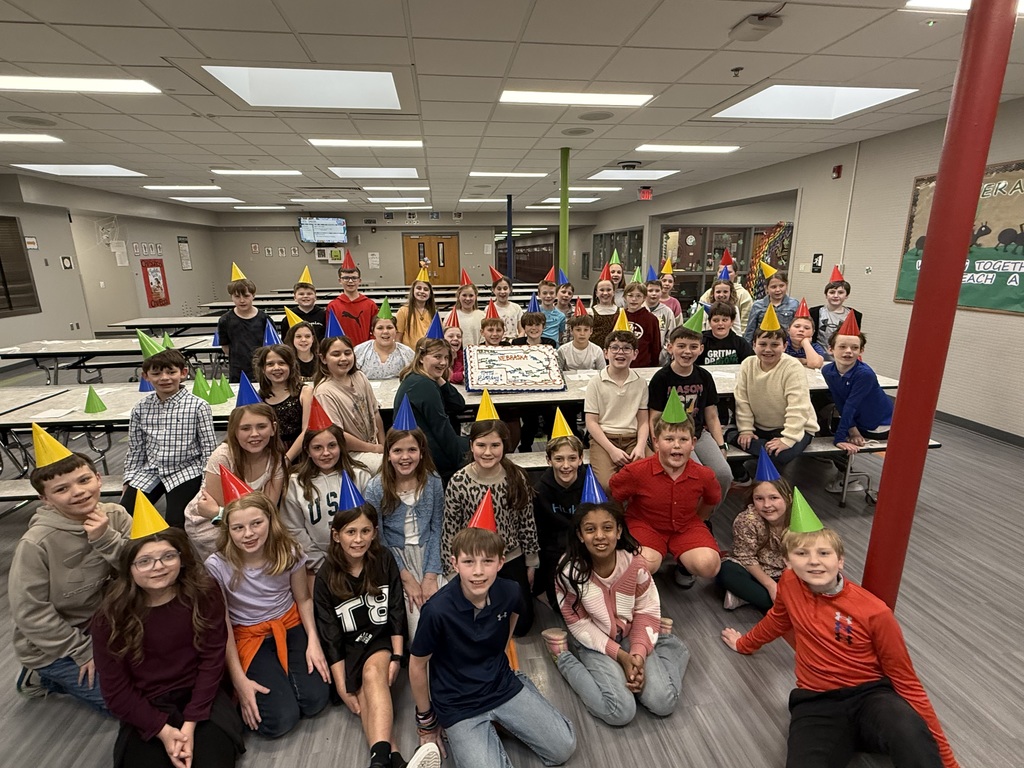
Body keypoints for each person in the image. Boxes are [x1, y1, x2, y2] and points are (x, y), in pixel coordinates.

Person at [721, 507, 960, 768]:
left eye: (824, 553)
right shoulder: (788, 583)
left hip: (872, 697)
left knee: (909, 730)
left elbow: (907, 682)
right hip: (817, 701)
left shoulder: (874, 612)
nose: (814, 561)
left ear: (840, 560)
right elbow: (778, 620)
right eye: (802, 553)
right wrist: (744, 644)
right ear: (787, 562)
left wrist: (948, 763)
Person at [410, 527, 577, 768]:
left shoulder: (510, 591)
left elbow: (514, 616)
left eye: (487, 561)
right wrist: (426, 722)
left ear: (500, 562)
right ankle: (490, 726)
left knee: (563, 748)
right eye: (469, 561)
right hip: (458, 703)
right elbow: (417, 665)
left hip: (500, 685)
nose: (478, 571)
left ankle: (516, 694)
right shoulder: (436, 611)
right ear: (455, 563)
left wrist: (496, 653)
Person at [92, 524, 244, 768]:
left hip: (202, 697)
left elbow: (212, 662)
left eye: (168, 556)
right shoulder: (110, 617)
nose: (158, 566)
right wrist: (162, 730)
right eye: (145, 561)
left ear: (182, 559)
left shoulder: (204, 593)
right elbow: (116, 691)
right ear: (129, 568)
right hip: (146, 705)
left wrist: (190, 724)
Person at [313, 503, 442, 768]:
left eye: (365, 531)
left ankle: (378, 761)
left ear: (374, 533)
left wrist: (396, 655)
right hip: (349, 648)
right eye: (350, 532)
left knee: (372, 675)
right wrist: (341, 685)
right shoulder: (326, 576)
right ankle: (392, 757)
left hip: (380, 639)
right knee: (362, 694)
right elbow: (330, 634)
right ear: (336, 535)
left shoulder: (383, 559)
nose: (358, 539)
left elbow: (396, 610)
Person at [11, 436, 132, 710]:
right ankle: (48, 674)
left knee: (164, 675)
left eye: (84, 480)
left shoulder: (116, 515)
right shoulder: (36, 543)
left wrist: (106, 539)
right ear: (45, 499)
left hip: (107, 623)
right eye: (62, 489)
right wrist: (82, 651)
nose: (78, 492)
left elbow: (145, 570)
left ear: (99, 478)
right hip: (58, 642)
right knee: (121, 701)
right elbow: (30, 613)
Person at [543, 501, 689, 726]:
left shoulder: (635, 564)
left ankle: (664, 642)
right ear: (580, 535)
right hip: (594, 640)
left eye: (608, 528)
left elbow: (646, 609)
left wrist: (638, 654)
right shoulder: (568, 572)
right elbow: (579, 624)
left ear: (619, 531)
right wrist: (621, 656)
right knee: (620, 712)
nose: (600, 536)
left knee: (664, 702)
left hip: (631, 633)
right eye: (590, 529)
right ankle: (563, 657)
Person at [207, 492, 330, 738]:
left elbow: (303, 599)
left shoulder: (289, 551)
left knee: (315, 700)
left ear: (270, 521)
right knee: (279, 720)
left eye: (256, 523)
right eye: (238, 528)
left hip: (289, 623)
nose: (249, 534)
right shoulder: (217, 565)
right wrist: (239, 680)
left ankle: (286, 679)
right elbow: (224, 627)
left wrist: (313, 643)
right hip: (248, 635)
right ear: (228, 530)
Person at [442, 420, 539, 636]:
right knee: (470, 620)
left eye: (495, 445)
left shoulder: (517, 477)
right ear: (471, 445)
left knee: (522, 625)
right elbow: (450, 529)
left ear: (505, 446)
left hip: (510, 557)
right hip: (473, 560)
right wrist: (452, 572)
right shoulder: (458, 481)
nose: (488, 452)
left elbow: (527, 522)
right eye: (481, 445)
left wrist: (530, 562)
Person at [610, 415, 722, 588]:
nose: (676, 445)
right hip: (645, 524)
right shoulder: (636, 472)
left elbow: (711, 500)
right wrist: (623, 525)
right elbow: (615, 496)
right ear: (656, 442)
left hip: (686, 525)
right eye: (669, 439)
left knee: (710, 565)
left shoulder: (704, 475)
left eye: (683, 439)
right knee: (644, 564)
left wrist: (698, 521)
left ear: (692, 443)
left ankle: (684, 565)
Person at [121, 348, 217, 528]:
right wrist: (129, 480)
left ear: (183, 373)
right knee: (125, 514)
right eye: (156, 374)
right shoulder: (141, 408)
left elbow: (208, 450)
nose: (164, 378)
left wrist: (206, 484)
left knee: (176, 521)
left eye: (171, 372)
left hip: (186, 470)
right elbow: (135, 450)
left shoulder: (198, 406)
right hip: (151, 470)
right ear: (146, 376)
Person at [365, 427, 445, 639]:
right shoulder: (375, 488)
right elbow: (378, 537)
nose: (405, 457)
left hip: (430, 556)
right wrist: (406, 578)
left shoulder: (433, 481)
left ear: (421, 452)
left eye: (412, 449)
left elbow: (437, 528)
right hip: (395, 560)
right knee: (418, 624)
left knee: (444, 617)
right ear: (388, 455)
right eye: (398, 451)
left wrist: (430, 576)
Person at [184, 403, 288, 561]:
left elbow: (268, 508)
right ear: (234, 431)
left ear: (273, 428)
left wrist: (216, 511)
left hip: (244, 518)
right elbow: (220, 510)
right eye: (245, 428)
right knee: (235, 561)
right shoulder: (223, 456)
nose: (254, 434)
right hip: (211, 523)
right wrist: (217, 513)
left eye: (261, 426)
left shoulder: (276, 459)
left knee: (281, 549)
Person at [648, 326, 732, 507]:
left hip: (699, 435)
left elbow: (712, 415)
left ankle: (705, 516)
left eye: (693, 347)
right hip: (673, 438)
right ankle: (687, 516)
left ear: (701, 349)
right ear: (670, 348)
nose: (687, 352)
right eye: (681, 346)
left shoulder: (704, 376)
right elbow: (654, 417)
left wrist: (721, 445)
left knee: (724, 474)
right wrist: (658, 445)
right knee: (697, 475)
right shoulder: (661, 378)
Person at [732, 314, 820, 480]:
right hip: (761, 426)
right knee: (728, 438)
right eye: (762, 344)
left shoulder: (792, 367)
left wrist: (787, 439)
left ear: (785, 346)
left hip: (797, 428)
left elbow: (798, 406)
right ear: (753, 345)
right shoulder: (747, 365)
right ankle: (756, 456)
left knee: (780, 454)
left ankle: (767, 485)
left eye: (775, 345)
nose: (768, 349)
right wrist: (745, 429)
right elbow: (742, 401)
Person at [282, 424, 372, 574]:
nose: (326, 453)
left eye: (332, 446)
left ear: (341, 446)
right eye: (317, 448)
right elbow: (293, 528)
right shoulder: (295, 483)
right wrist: (320, 565)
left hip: (360, 561)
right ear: (307, 451)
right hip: (316, 567)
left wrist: (358, 560)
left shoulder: (361, 477)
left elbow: (371, 522)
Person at [822, 321, 893, 494]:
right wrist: (851, 430)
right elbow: (840, 401)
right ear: (830, 349)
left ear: (861, 351)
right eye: (842, 346)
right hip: (858, 420)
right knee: (821, 421)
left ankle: (847, 477)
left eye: (854, 348)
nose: (848, 351)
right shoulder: (828, 371)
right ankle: (843, 471)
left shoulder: (864, 374)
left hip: (877, 424)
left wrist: (841, 438)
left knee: (827, 432)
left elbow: (851, 406)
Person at [394, 337, 469, 483]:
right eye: (437, 357)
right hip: (426, 454)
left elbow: (459, 405)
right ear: (421, 358)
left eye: (446, 357)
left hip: (425, 445)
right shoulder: (422, 385)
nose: (443, 362)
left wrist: (440, 379)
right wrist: (461, 463)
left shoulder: (423, 378)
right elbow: (441, 428)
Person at [715, 469, 791, 612]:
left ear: (788, 498)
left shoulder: (799, 517)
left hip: (787, 572)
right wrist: (770, 585)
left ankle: (747, 597)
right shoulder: (746, 520)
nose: (767, 505)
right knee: (727, 572)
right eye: (759, 499)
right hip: (752, 570)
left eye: (774, 498)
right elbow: (746, 557)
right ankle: (781, 603)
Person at [583, 330, 649, 490]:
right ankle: (616, 514)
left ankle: (639, 514)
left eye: (627, 348)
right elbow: (591, 422)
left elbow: (643, 420)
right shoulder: (596, 382)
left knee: (649, 478)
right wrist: (612, 450)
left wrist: (640, 446)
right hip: (604, 440)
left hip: (633, 439)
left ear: (635, 354)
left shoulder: (640, 383)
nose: (620, 352)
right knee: (607, 484)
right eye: (615, 348)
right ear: (606, 353)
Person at [313, 335, 385, 471]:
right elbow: (337, 435)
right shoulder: (324, 392)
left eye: (347, 353)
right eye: (336, 354)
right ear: (323, 359)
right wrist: (374, 449)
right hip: (350, 454)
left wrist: (383, 445)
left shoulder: (360, 377)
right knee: (390, 468)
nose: (343, 358)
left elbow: (375, 413)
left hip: (373, 446)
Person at [531, 433, 585, 606]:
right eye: (559, 459)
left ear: (581, 459)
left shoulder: (589, 483)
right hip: (554, 547)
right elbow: (539, 533)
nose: (566, 466)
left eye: (572, 458)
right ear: (549, 460)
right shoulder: (540, 491)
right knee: (559, 605)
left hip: (583, 542)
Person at [253, 344, 312, 462]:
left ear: (291, 366)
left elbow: (307, 430)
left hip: (300, 454)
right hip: (270, 456)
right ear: (263, 369)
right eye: (270, 364)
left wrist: (287, 459)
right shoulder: (259, 398)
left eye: (282, 363)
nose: (276, 368)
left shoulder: (305, 392)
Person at [218, 272, 270, 382]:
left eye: (246, 296)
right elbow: (225, 347)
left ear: (253, 295)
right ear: (231, 297)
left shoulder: (264, 319)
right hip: (238, 370)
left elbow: (271, 345)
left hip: (262, 368)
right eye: (237, 296)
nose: (242, 300)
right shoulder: (225, 320)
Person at [326, 262, 378, 346]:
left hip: (366, 350)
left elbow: (376, 330)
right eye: (346, 278)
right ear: (340, 280)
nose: (350, 281)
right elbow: (330, 333)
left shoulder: (370, 305)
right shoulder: (333, 306)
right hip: (342, 350)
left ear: (359, 280)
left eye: (354, 278)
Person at [355, 313, 415, 380]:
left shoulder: (407, 353)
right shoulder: (360, 351)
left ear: (396, 330)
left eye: (389, 327)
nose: (385, 331)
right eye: (380, 328)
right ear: (373, 331)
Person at [699, 257, 753, 330]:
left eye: (729, 272)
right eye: (720, 272)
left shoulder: (744, 295)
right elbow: (700, 322)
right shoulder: (707, 294)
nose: (721, 295)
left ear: (736, 274)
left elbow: (744, 325)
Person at [810, 271, 862, 347]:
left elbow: (855, 338)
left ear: (846, 295)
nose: (836, 296)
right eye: (832, 292)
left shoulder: (854, 315)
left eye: (840, 292)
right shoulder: (815, 312)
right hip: (818, 354)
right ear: (826, 295)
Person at [745, 272, 799, 343]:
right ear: (766, 288)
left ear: (787, 285)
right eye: (773, 287)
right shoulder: (757, 305)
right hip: (763, 343)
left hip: (786, 345)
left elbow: (798, 326)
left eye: (781, 286)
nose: (778, 290)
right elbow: (750, 330)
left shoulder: (794, 304)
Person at [697, 301, 755, 367]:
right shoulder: (701, 341)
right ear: (710, 322)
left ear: (732, 322)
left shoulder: (740, 343)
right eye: (716, 320)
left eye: (724, 320)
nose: (720, 324)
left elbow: (751, 364)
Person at [622, 283, 661, 367]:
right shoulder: (619, 316)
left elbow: (655, 345)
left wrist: (654, 365)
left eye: (638, 296)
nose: (634, 299)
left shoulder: (651, 319)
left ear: (644, 298)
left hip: (643, 364)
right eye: (630, 295)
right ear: (625, 297)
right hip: (621, 364)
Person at [279, 276, 326, 341]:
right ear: (295, 298)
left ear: (315, 297)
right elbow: (285, 340)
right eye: (301, 294)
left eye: (309, 294)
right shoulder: (288, 317)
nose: (305, 296)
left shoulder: (324, 315)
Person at [396, 279, 436, 348]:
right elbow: (398, 337)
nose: (422, 291)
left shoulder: (433, 312)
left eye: (426, 289)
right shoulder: (403, 311)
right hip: (409, 354)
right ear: (413, 291)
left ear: (430, 295)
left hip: (429, 353)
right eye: (418, 288)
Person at [588, 278, 620, 349]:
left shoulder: (621, 312)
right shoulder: (590, 312)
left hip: (615, 352)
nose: (605, 293)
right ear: (596, 293)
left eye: (608, 290)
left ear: (614, 292)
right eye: (602, 290)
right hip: (594, 352)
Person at [643, 280, 676, 347]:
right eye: (650, 291)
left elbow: (671, 335)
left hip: (660, 353)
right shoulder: (639, 309)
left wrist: (665, 350)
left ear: (661, 292)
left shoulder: (667, 312)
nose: (654, 294)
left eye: (657, 291)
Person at [491, 275, 523, 340]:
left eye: (505, 288)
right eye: (499, 289)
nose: (502, 292)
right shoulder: (490, 308)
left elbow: (522, 331)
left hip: (514, 344)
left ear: (510, 289)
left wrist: (517, 342)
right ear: (493, 290)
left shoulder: (516, 308)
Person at [537, 279, 567, 345]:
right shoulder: (533, 313)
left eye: (551, 293)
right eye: (544, 293)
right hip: (536, 347)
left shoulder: (561, 316)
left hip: (553, 348)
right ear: (539, 294)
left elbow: (560, 333)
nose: (548, 296)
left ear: (556, 295)